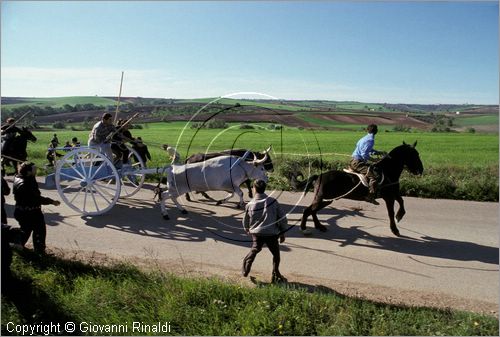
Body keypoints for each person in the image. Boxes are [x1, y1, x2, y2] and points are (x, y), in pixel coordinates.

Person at [242, 179, 288, 283]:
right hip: (271, 233)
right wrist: (282, 232)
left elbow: (246, 219)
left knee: (255, 249)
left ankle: (246, 268)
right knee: (276, 254)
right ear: (265, 188)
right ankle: (275, 274)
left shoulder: (250, 204)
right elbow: (282, 218)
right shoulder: (273, 201)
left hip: (257, 233)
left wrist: (247, 228)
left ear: (254, 189)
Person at [13, 162, 60, 254]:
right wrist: (52, 201)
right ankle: (38, 252)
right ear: (28, 172)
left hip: (25, 211)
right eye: (34, 169)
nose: (36, 170)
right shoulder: (24, 184)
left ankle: (18, 247)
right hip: (29, 212)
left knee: (27, 231)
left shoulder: (22, 177)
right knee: (38, 231)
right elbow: (36, 199)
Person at [350, 124, 385, 205]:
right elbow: (364, 154)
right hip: (358, 162)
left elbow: (369, 149)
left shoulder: (364, 138)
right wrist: (375, 159)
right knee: (374, 177)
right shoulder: (370, 140)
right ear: (376, 131)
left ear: (367, 130)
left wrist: (378, 152)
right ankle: (370, 196)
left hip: (353, 160)